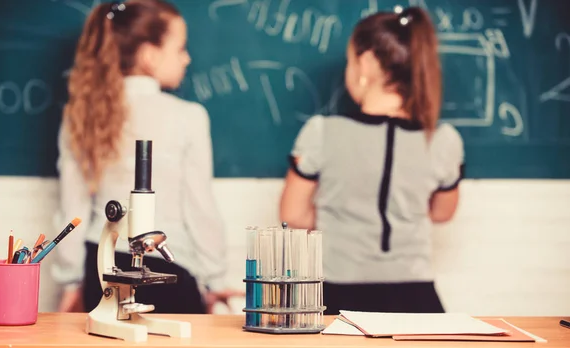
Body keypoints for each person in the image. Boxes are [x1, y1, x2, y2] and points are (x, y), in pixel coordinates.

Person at [54, 0, 240, 314]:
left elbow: (73, 210)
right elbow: (200, 209)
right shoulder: (188, 116)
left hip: (100, 269)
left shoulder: (81, 115)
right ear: (149, 57)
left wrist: (71, 282)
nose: (187, 58)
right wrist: (214, 279)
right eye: (180, 48)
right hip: (168, 271)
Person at [279, 7, 464, 314]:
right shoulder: (444, 139)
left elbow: (293, 214)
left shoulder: (322, 131)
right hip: (417, 298)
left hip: (337, 295)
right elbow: (443, 212)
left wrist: (339, 215)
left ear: (364, 63)